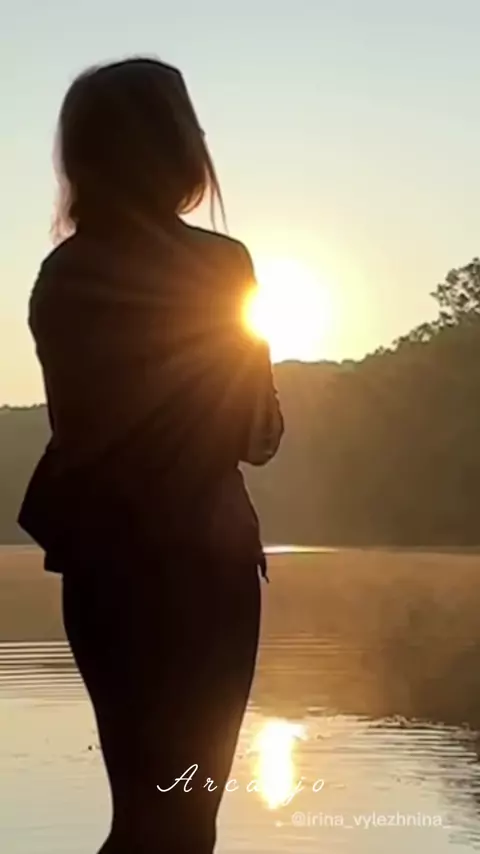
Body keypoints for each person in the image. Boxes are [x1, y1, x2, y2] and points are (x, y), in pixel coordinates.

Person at [18, 57, 284, 854]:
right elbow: (259, 437)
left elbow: (82, 429)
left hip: (105, 567)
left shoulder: (62, 275)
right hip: (208, 568)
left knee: (141, 811)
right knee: (188, 815)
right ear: (176, 146)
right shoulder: (223, 265)